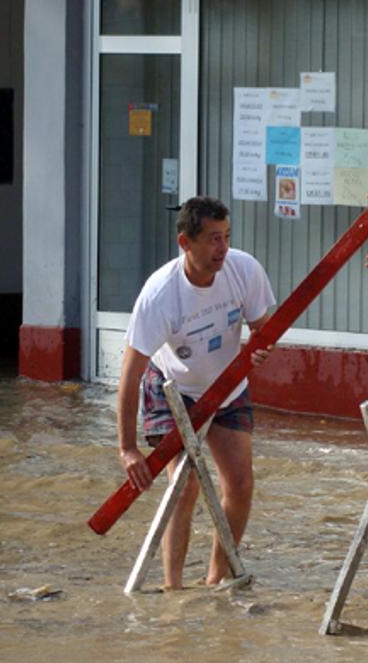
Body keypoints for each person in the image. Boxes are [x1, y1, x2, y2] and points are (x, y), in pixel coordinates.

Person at [116, 196, 276, 590]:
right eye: (212, 240)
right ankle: (174, 586)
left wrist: (261, 349)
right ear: (185, 243)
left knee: (239, 483)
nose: (222, 249)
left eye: (226, 237)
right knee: (183, 486)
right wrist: (128, 448)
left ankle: (216, 579)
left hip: (227, 384)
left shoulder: (244, 269)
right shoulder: (160, 295)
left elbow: (265, 328)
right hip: (173, 388)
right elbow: (130, 374)